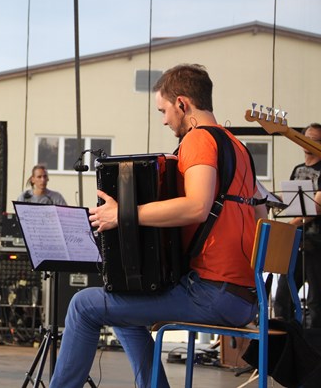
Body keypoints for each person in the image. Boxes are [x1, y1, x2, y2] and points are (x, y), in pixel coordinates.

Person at [49, 64, 267, 388]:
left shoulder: (199, 139)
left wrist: (123, 215)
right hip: (245, 297)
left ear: (182, 103)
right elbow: (262, 212)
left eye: (163, 111)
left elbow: (197, 206)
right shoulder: (238, 148)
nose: (164, 120)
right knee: (121, 302)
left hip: (213, 294)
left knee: (83, 305)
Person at [274, 123, 321, 328]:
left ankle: (314, 344)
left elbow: (316, 208)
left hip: (317, 243)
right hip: (297, 241)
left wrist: (289, 226)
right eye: (306, 138)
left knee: (316, 301)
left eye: (315, 140)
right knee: (282, 297)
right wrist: (273, 200)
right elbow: (293, 202)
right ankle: (286, 341)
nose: (308, 143)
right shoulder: (298, 169)